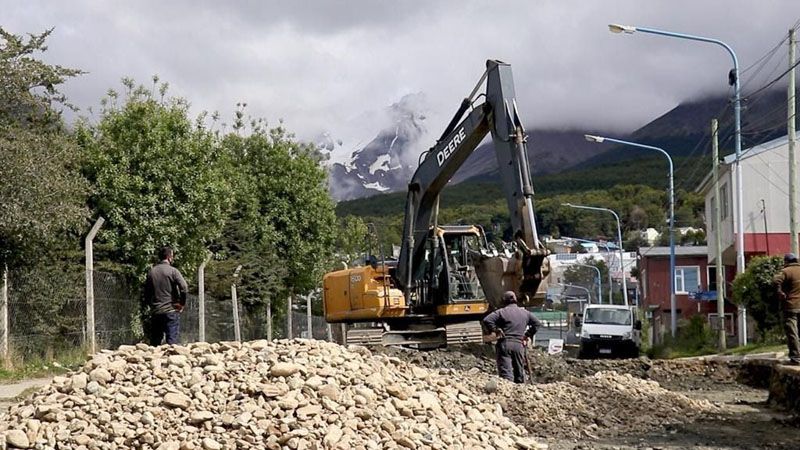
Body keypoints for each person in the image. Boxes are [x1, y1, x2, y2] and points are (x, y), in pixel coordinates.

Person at [482, 291, 542, 383]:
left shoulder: (501, 312)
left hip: (505, 344)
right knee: (519, 372)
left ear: (504, 301)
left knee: (506, 374)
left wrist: (496, 329)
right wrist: (527, 335)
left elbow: (487, 320)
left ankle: (508, 391)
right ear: (515, 300)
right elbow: (537, 324)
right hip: (518, 345)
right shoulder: (525, 313)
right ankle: (520, 391)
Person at [144, 246, 188, 346]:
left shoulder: (152, 272)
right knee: (172, 343)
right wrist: (181, 303)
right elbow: (184, 287)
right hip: (171, 310)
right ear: (169, 257)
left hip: (156, 311)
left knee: (155, 342)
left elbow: (146, 292)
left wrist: (150, 305)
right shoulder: (173, 271)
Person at [774, 253, 800, 365]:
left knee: (792, 332)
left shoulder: (786, 271)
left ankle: (796, 357)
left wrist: (780, 292)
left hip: (791, 306)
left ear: (786, 262)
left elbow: (776, 280)